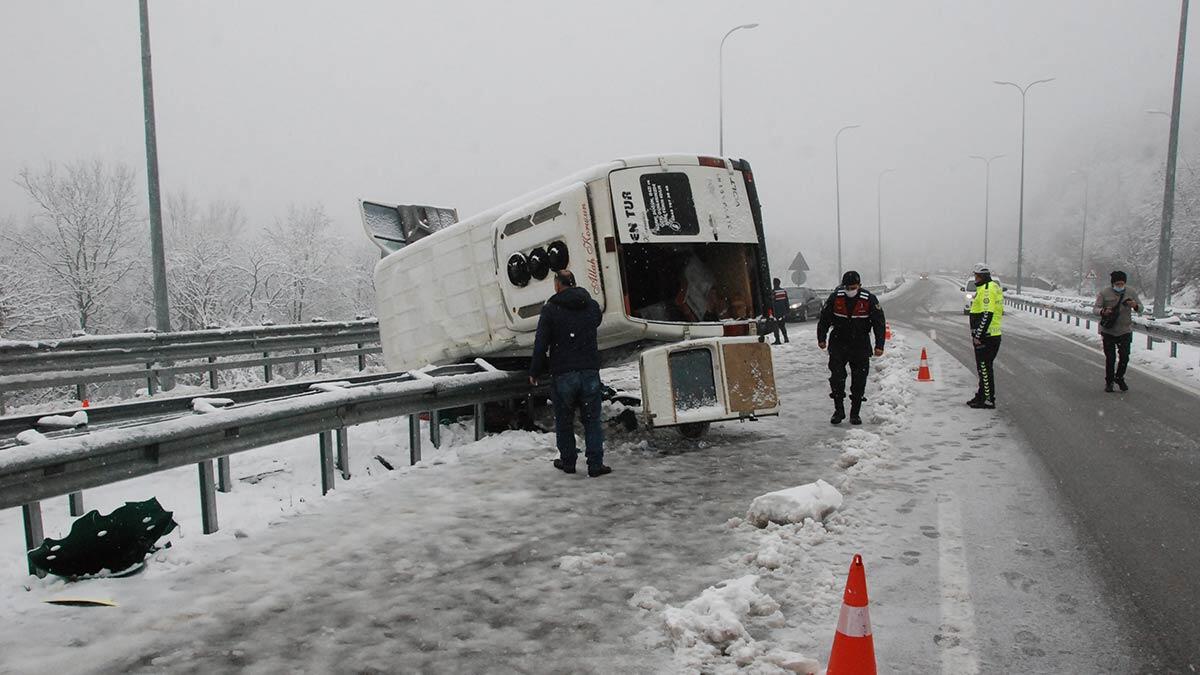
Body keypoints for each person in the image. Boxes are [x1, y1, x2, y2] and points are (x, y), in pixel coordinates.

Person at [529, 270, 612, 477]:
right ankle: (595, 464)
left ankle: (568, 461)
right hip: (589, 372)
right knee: (592, 420)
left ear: (558, 284)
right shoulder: (591, 306)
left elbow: (541, 343)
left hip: (563, 373)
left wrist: (535, 370)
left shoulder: (550, 310)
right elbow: (596, 319)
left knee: (564, 420)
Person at [817, 271, 886, 425]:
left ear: (859, 286)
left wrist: (879, 345)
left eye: (853, 287)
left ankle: (855, 413)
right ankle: (838, 410)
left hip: (860, 344)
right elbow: (824, 319)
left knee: (859, 380)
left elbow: (879, 323)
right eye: (847, 287)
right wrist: (821, 337)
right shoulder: (835, 298)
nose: (850, 290)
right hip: (838, 342)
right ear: (843, 286)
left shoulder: (869, 299)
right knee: (837, 378)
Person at [1093, 270, 1142, 392]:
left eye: (1122, 283)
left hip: (1125, 330)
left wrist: (1134, 305)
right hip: (1108, 330)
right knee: (1110, 358)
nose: (1120, 286)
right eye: (1117, 283)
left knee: (1125, 357)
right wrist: (1103, 311)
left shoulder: (1131, 292)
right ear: (1112, 283)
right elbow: (1095, 309)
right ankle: (1109, 382)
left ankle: (1119, 377)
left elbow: (1141, 308)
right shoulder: (1104, 293)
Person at [967, 263, 1003, 409]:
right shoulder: (986, 288)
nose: (975, 278)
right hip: (988, 335)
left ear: (982, 277)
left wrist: (979, 335)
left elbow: (987, 314)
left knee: (985, 368)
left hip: (987, 337)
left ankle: (988, 399)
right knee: (983, 368)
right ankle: (982, 395)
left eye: (976, 276)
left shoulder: (987, 290)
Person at [771, 278, 790, 344]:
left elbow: (772, 303)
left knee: (775, 326)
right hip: (783, 312)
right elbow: (786, 302)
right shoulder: (783, 291)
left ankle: (777, 340)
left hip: (776, 312)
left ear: (774, 283)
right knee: (782, 326)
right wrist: (787, 311)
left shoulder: (773, 292)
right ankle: (786, 338)